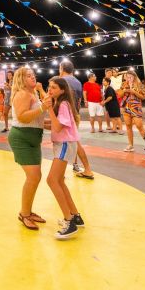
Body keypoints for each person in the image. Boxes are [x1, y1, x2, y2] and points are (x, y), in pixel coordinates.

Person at [7, 66, 48, 231]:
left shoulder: (33, 94)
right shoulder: (22, 94)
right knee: (33, 177)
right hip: (21, 138)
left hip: (33, 138)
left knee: (36, 177)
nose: (33, 77)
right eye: (28, 75)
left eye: (33, 74)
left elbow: (36, 119)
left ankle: (28, 211)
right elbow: (23, 117)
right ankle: (24, 214)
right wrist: (42, 108)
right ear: (21, 79)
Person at [44, 76, 84, 239]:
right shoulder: (61, 104)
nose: (50, 90)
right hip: (63, 143)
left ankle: (70, 222)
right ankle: (75, 215)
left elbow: (58, 125)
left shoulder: (63, 104)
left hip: (65, 144)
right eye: (49, 86)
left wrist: (47, 110)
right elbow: (54, 124)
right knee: (59, 181)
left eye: (53, 87)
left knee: (52, 180)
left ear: (62, 90)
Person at [59, 61, 94, 180]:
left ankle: (60, 171)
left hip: (64, 115)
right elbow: (79, 102)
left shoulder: (62, 81)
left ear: (62, 68)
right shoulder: (78, 82)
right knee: (73, 141)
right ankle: (80, 167)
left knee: (62, 143)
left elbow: (57, 100)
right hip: (75, 114)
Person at [118, 71, 145, 152]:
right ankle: (130, 145)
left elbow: (143, 97)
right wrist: (124, 91)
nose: (128, 78)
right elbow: (119, 95)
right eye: (127, 77)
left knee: (139, 126)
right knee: (128, 126)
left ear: (134, 76)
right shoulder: (124, 84)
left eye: (130, 77)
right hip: (126, 107)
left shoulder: (140, 85)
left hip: (136, 107)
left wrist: (134, 92)